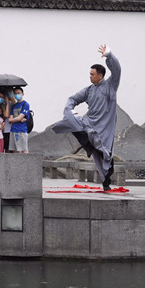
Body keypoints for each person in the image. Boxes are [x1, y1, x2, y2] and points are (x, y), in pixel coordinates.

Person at [53, 45, 121, 190]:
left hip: (104, 128)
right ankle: (89, 146)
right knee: (69, 122)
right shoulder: (89, 90)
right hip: (90, 123)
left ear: (100, 76)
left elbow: (117, 70)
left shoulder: (110, 86)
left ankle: (106, 180)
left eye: (92, 74)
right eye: (89, 74)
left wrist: (109, 55)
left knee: (104, 154)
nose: (90, 76)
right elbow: (72, 99)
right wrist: (70, 111)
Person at [8, 87, 30, 154]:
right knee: (15, 150)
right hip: (13, 130)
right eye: (15, 93)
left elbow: (19, 118)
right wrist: (17, 119)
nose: (17, 95)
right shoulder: (13, 106)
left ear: (22, 94)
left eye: (18, 93)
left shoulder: (25, 104)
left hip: (22, 130)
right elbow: (10, 120)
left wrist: (15, 119)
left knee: (24, 149)